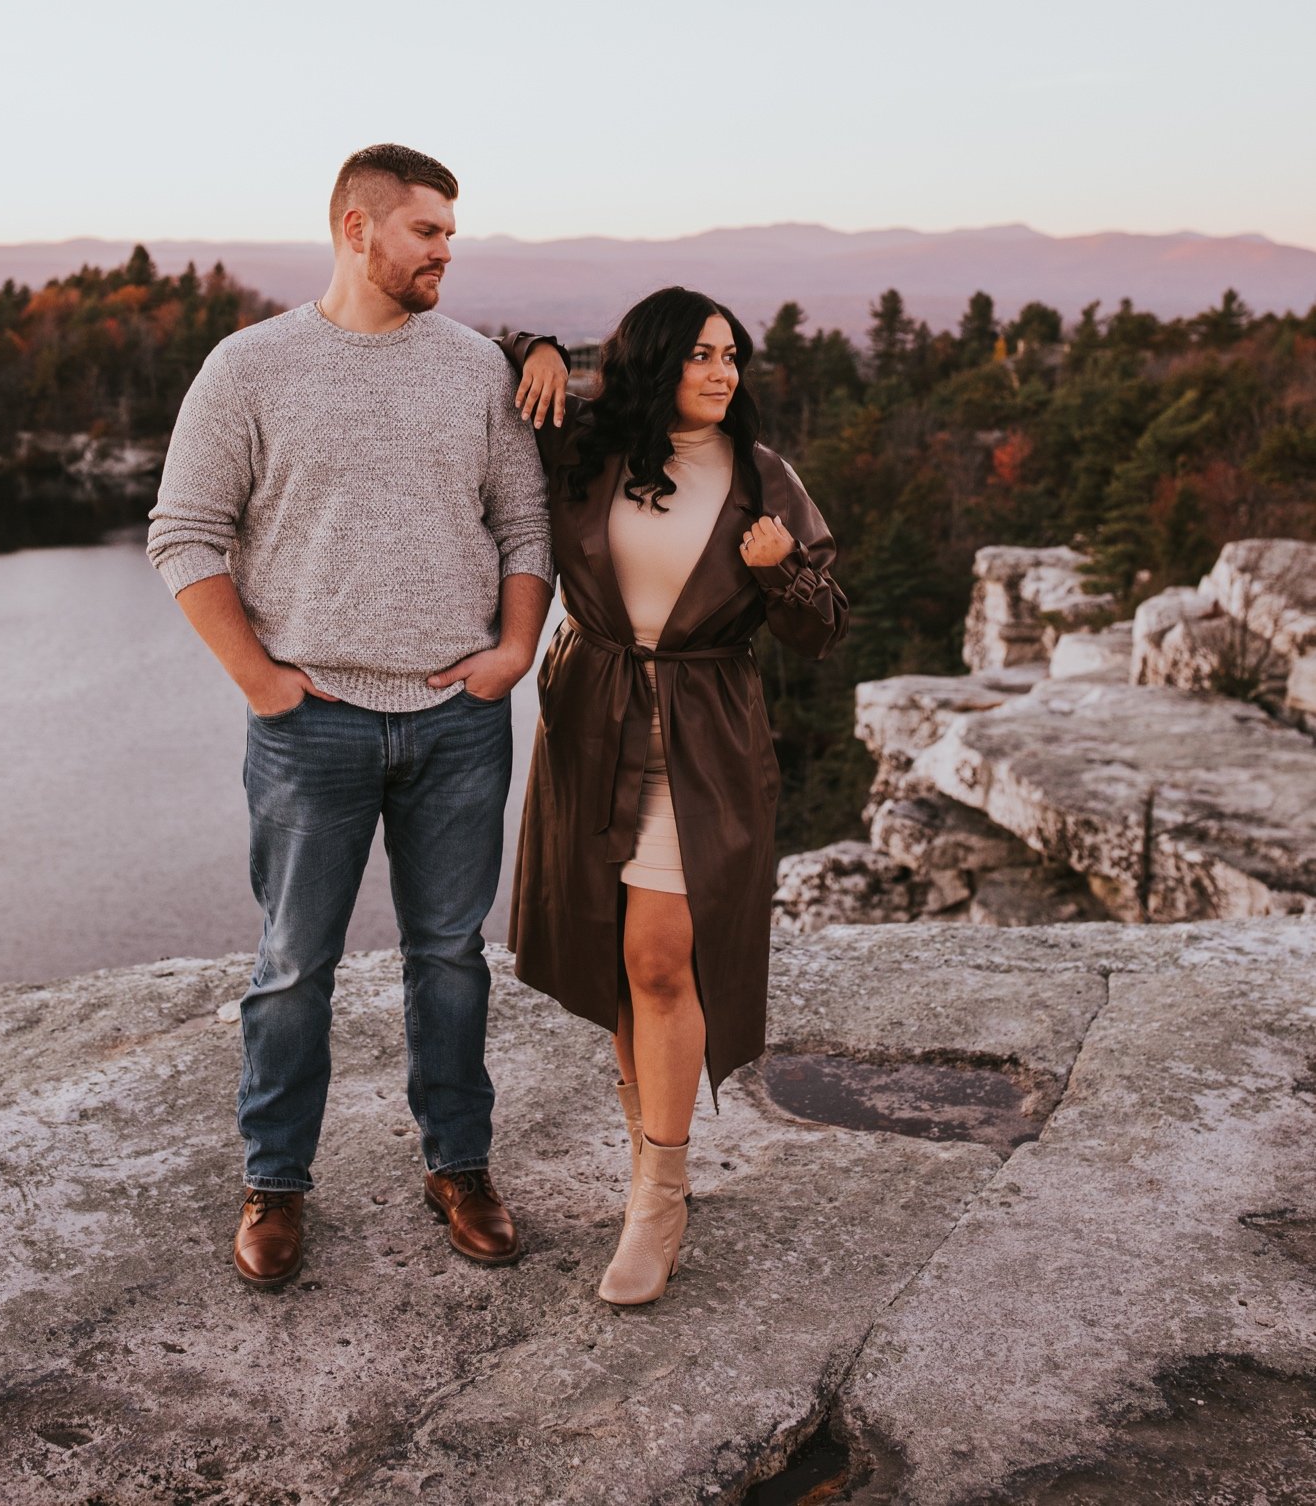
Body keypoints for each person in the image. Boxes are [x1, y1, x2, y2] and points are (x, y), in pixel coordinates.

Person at [147, 144, 553, 1289]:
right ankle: (275, 1187)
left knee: (452, 958)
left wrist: (512, 652)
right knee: (292, 968)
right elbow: (184, 533)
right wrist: (262, 682)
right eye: (427, 232)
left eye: (449, 235)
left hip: (456, 720)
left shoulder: (477, 368)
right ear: (355, 227)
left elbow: (525, 527)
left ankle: (459, 1168)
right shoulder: (250, 367)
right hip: (309, 725)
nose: (445, 252)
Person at [499, 288, 846, 1307]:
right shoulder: (589, 448)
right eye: (699, 355)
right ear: (653, 362)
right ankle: (646, 1132)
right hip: (594, 724)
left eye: (732, 356)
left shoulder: (763, 478)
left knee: (659, 954)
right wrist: (539, 346)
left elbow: (824, 628)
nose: (722, 372)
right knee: (614, 952)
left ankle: (660, 1192)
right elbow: (480, 358)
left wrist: (783, 576)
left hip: (703, 739)